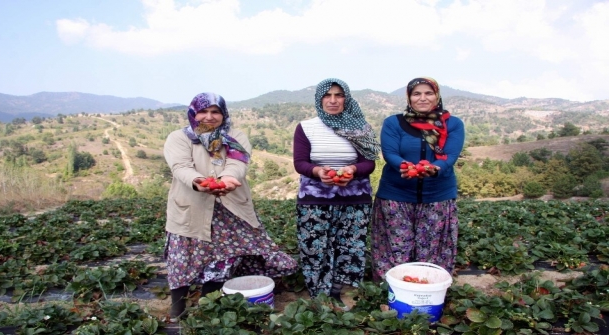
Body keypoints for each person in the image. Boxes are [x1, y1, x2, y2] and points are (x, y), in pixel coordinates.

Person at [163, 92, 298, 319]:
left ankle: (209, 304)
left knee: (222, 258)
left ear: (223, 114)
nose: (209, 116)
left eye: (215, 111)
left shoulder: (235, 136)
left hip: (231, 208)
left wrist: (227, 180)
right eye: (203, 111)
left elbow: (238, 164)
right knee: (183, 258)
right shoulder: (179, 138)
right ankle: (178, 306)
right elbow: (180, 167)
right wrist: (200, 182)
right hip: (190, 208)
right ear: (193, 113)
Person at [293, 78, 380, 308]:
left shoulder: (360, 127)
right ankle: (319, 296)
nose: (333, 100)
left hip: (354, 198)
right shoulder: (306, 127)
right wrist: (318, 171)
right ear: (319, 99)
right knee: (315, 246)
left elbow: (369, 163)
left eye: (339, 95)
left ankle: (336, 292)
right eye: (327, 95)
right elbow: (300, 163)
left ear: (346, 98)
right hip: (315, 199)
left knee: (348, 245)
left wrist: (352, 170)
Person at [371, 77, 465, 281]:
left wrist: (434, 168)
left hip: (438, 195)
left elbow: (450, 155)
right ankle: (391, 294)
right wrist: (406, 167)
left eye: (428, 93)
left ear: (437, 96)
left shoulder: (452, 124)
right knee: (395, 249)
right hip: (396, 195)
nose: (423, 98)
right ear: (409, 97)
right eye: (417, 94)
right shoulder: (393, 122)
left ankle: (427, 294)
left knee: (432, 252)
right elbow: (390, 153)